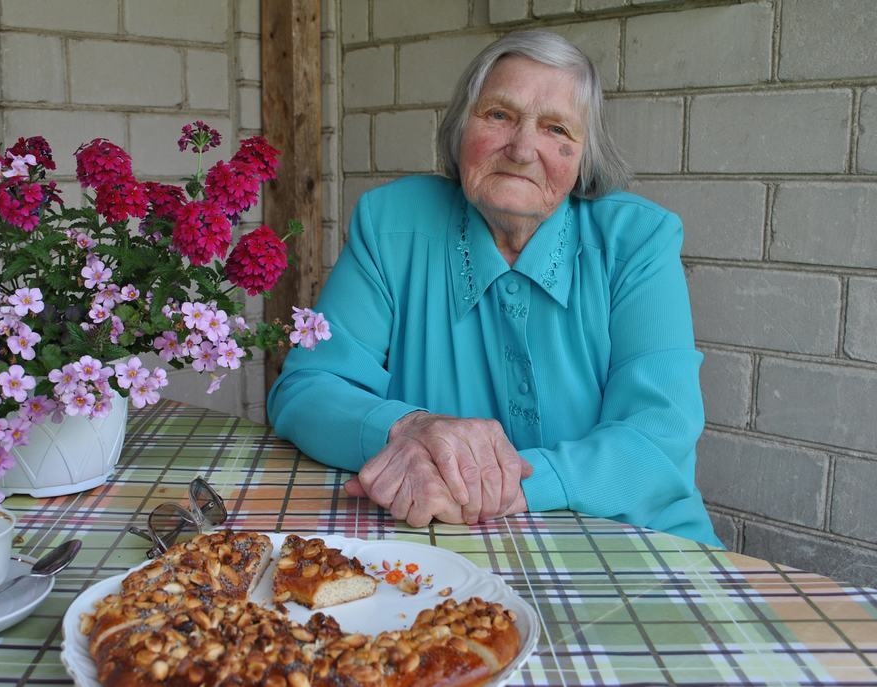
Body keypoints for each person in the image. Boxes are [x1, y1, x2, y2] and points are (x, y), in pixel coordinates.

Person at [267, 29, 722, 547]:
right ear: (461, 130)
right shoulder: (392, 224)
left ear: (583, 156)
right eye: (499, 115)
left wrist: (501, 487)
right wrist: (409, 428)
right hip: (445, 544)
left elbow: (659, 435)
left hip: (632, 541)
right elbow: (306, 387)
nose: (523, 149)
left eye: (556, 128)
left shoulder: (636, 241)